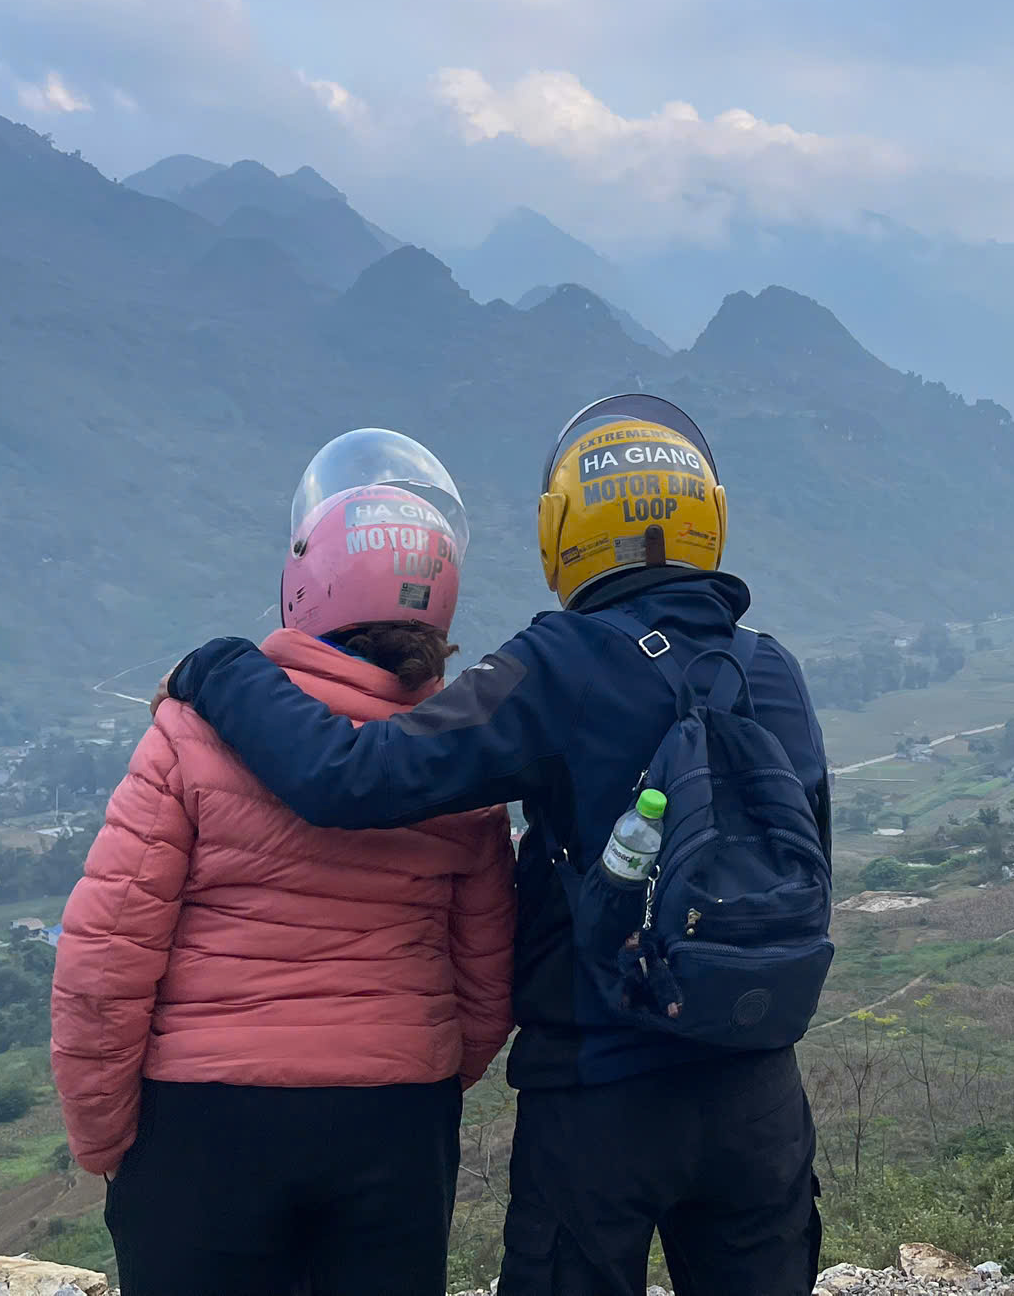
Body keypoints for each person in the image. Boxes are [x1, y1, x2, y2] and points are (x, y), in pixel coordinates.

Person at [164, 394, 830, 1296]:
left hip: (599, 1097)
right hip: (760, 1093)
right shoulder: (772, 669)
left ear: (563, 533)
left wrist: (225, 670)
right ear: (710, 514)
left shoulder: (559, 665)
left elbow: (353, 777)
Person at [53, 429, 517, 1296]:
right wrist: (413, 1076)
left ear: (307, 582)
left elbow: (105, 960)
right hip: (394, 1124)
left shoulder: (189, 735)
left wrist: (105, 1136)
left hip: (203, 1122)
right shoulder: (460, 764)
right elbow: (488, 984)